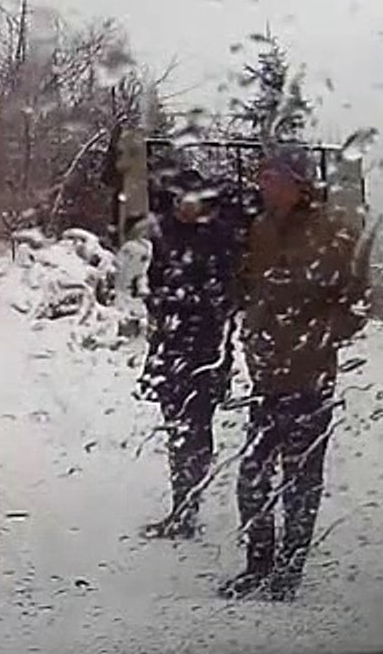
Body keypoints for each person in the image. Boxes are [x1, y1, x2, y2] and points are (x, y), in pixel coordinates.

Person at [220, 144, 369, 601]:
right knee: (252, 475)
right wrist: (250, 328)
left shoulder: (336, 232)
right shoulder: (261, 229)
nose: (262, 184)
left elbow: (358, 303)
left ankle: (289, 570)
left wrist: (319, 337)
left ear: (297, 183)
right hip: (265, 376)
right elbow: (250, 286)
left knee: (301, 480)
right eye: (262, 176)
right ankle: (257, 563)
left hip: (310, 377)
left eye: (271, 177)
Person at [140, 168, 244, 540]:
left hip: (206, 347)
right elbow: (155, 280)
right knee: (175, 426)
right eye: (178, 199)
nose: (184, 206)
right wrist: (159, 307)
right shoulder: (166, 233)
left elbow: (228, 295)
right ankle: (180, 504)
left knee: (198, 426)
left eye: (191, 200)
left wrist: (193, 304)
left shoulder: (219, 237)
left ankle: (189, 507)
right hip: (170, 344)